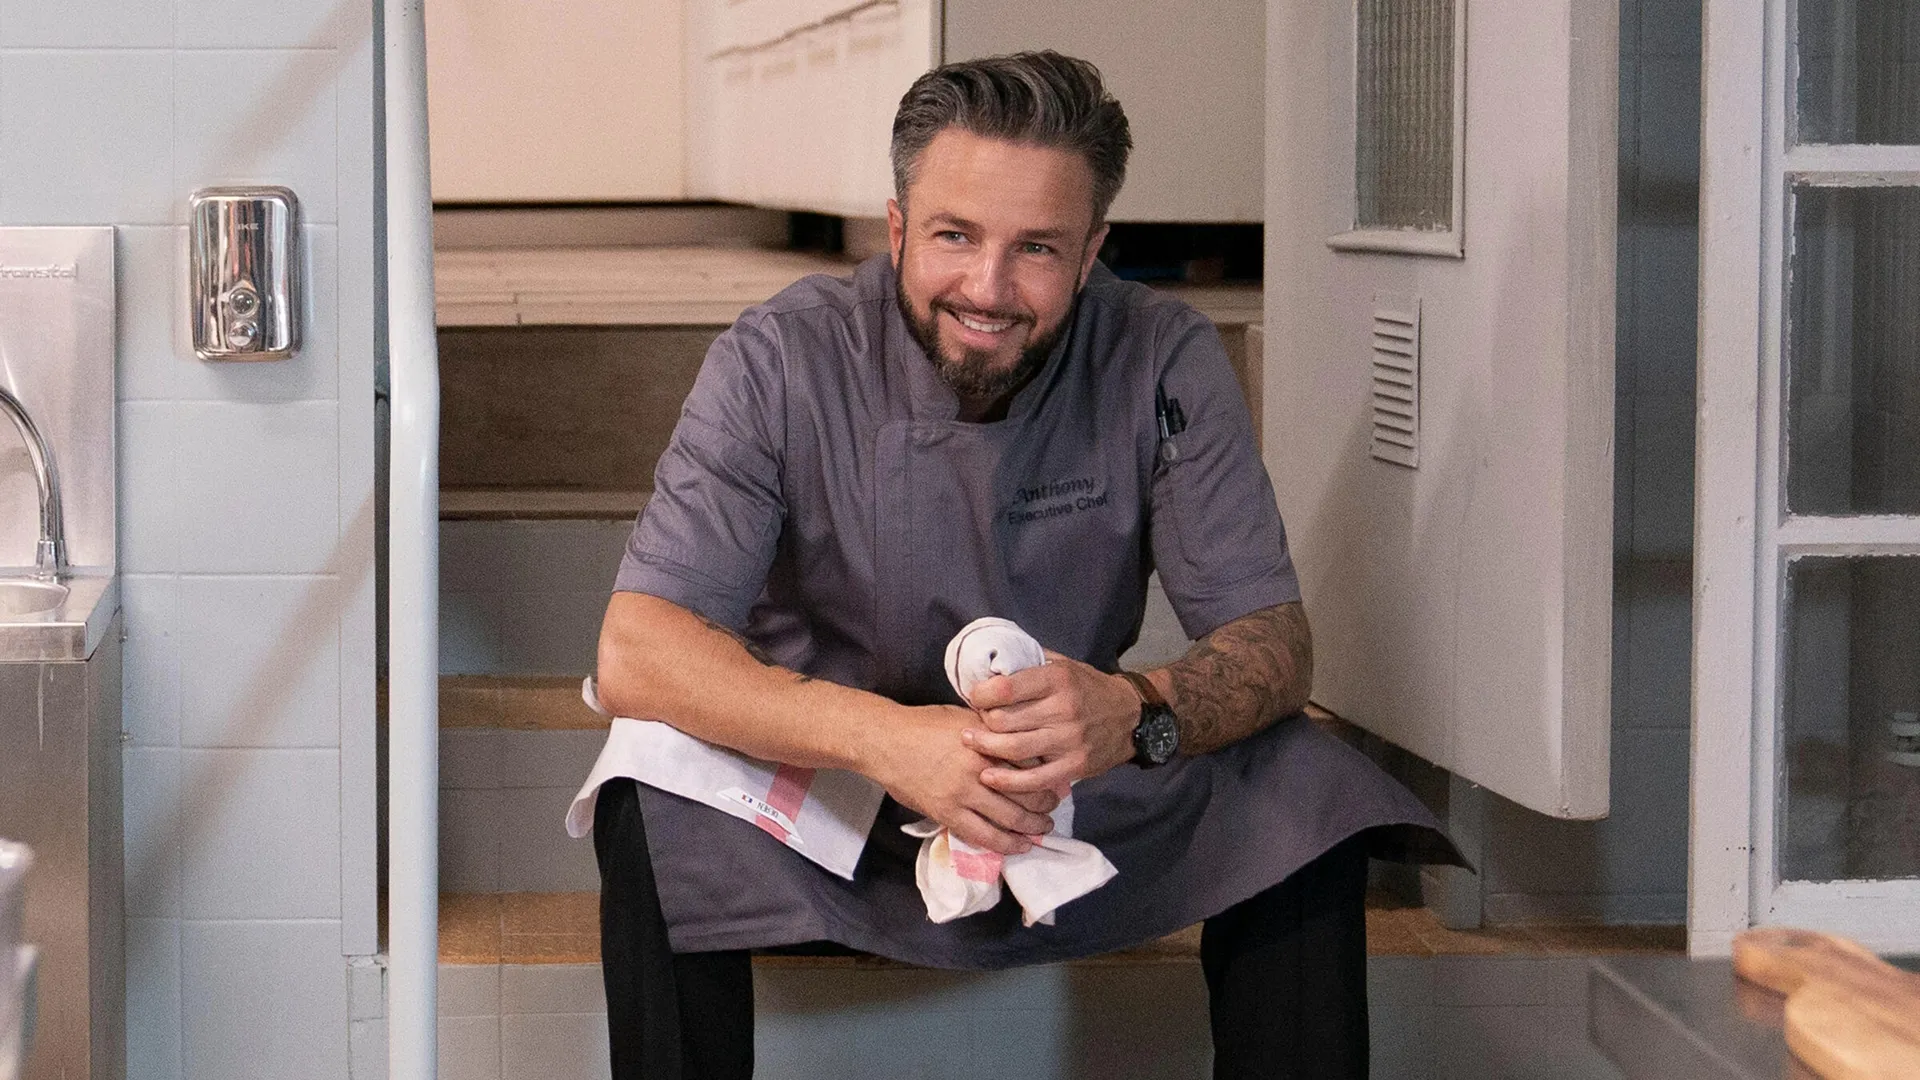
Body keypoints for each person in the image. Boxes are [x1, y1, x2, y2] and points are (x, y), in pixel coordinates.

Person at [583, 50, 1454, 1080]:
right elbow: (638, 649)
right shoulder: (778, 360)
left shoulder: (1161, 356)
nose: (988, 290)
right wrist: (886, 739)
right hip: (833, 797)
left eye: (1036, 247)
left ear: (1091, 255)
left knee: (1303, 783)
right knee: (649, 793)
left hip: (1064, 792)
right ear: (897, 230)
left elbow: (1274, 642)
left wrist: (1134, 711)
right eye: (954, 235)